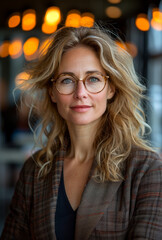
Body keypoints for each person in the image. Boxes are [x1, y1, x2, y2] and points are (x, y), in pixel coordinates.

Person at [1, 26, 162, 240]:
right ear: (52, 92)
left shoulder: (146, 168)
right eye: (67, 80)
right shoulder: (35, 170)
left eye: (93, 79)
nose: (80, 93)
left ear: (111, 88)